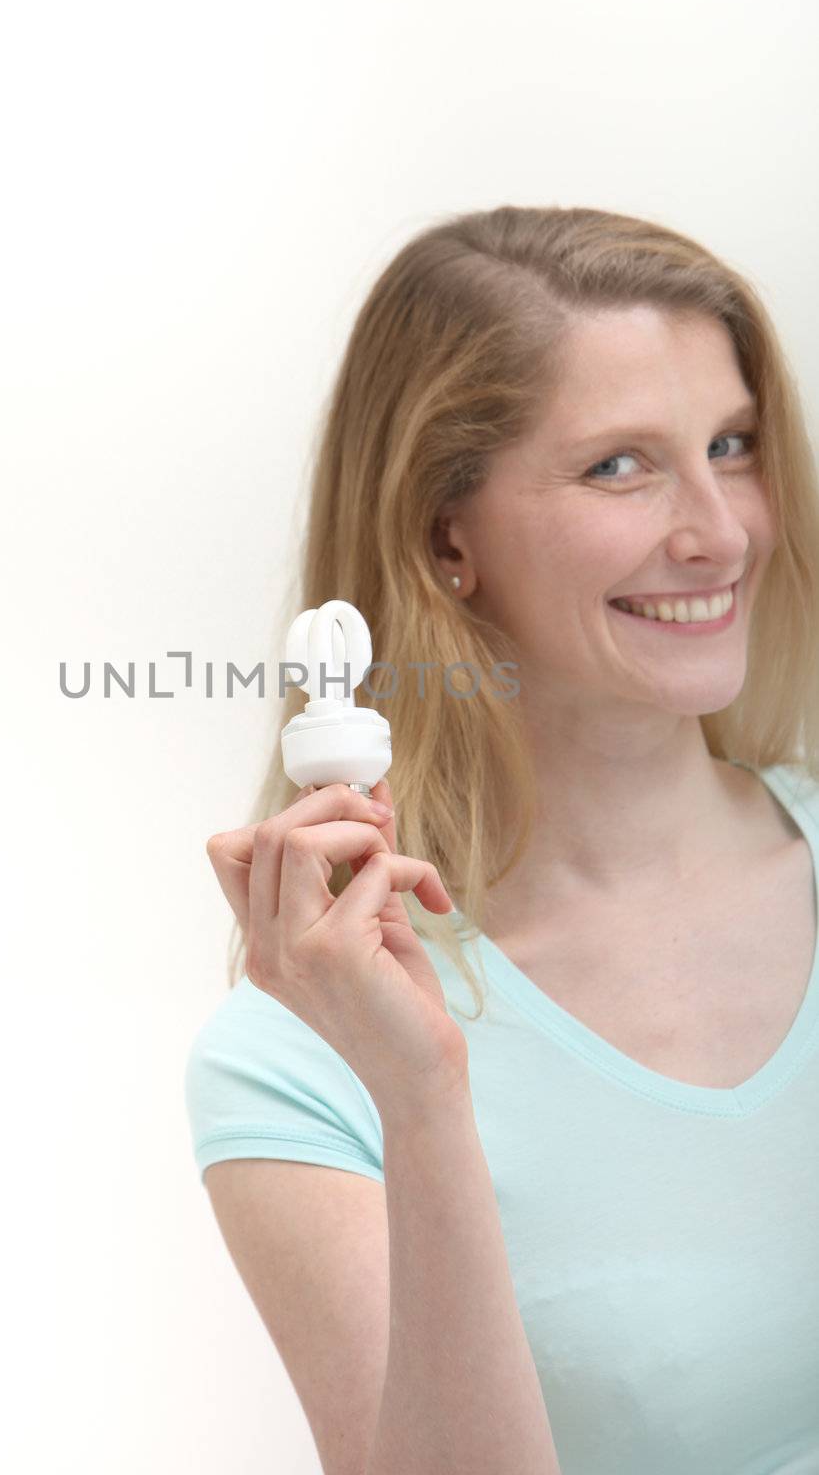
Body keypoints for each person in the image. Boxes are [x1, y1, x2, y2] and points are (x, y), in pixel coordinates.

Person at [184, 205, 819, 1475]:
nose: (720, 528)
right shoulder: (301, 1066)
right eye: (617, 467)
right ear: (442, 538)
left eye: (730, 444)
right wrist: (421, 1104)